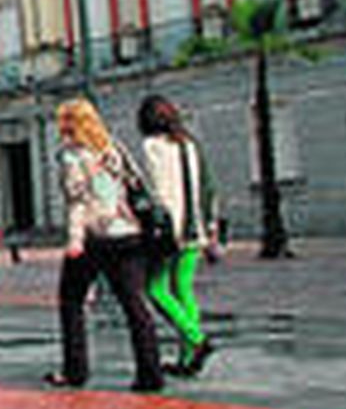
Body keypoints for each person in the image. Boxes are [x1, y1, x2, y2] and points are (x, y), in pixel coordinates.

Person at [45, 98, 165, 393]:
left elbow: (78, 200)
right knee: (134, 304)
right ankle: (150, 374)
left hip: (94, 236)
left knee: (71, 300)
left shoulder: (72, 155)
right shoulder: (114, 148)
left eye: (63, 122)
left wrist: (74, 240)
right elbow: (135, 184)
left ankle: (76, 370)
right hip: (129, 233)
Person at [139, 95, 218, 377]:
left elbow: (158, 191)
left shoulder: (152, 147)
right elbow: (207, 187)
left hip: (170, 232)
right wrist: (210, 226)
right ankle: (188, 360)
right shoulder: (190, 144)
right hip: (194, 228)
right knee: (184, 290)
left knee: (155, 289)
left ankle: (196, 339)